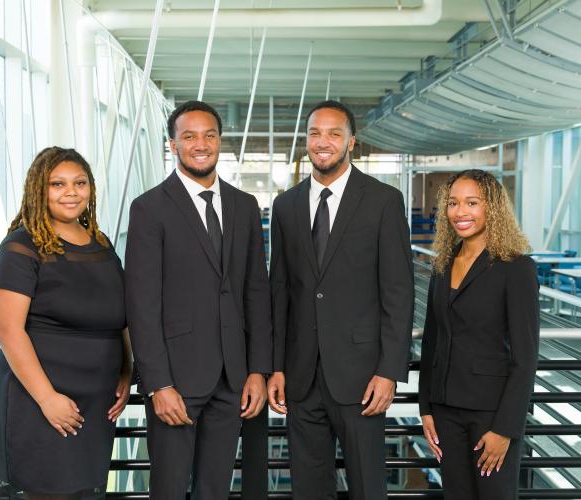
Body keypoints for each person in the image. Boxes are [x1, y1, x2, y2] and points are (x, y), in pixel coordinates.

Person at [125, 100, 272, 500]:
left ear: (220, 141)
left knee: (216, 489)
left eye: (209, 135)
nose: (200, 144)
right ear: (174, 145)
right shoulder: (149, 209)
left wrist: (258, 369)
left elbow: (256, 292)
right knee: (170, 489)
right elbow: (141, 304)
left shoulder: (244, 206)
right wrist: (157, 384)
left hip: (233, 379)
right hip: (176, 378)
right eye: (189, 136)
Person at [267, 100, 414, 500]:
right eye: (315, 133)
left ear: (352, 142)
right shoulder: (286, 205)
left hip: (363, 377)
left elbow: (399, 292)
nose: (323, 141)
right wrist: (276, 367)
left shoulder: (383, 201)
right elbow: (279, 291)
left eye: (334, 133)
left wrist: (390, 371)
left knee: (367, 486)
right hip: (301, 377)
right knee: (309, 488)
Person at [0, 147, 132, 500]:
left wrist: (127, 372)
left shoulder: (101, 244)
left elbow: (121, 314)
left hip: (96, 403)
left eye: (79, 183)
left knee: (84, 493)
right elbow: (8, 330)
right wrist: (47, 398)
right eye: (58, 184)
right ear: (39, 190)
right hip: (41, 401)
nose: (71, 192)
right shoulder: (21, 247)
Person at [418, 169, 539, 500]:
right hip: (445, 409)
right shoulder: (444, 263)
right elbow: (432, 341)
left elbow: (526, 358)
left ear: (492, 208)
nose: (461, 212)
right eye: (453, 203)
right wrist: (425, 406)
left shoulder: (516, 267)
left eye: (472, 203)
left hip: (491, 413)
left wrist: (505, 429)